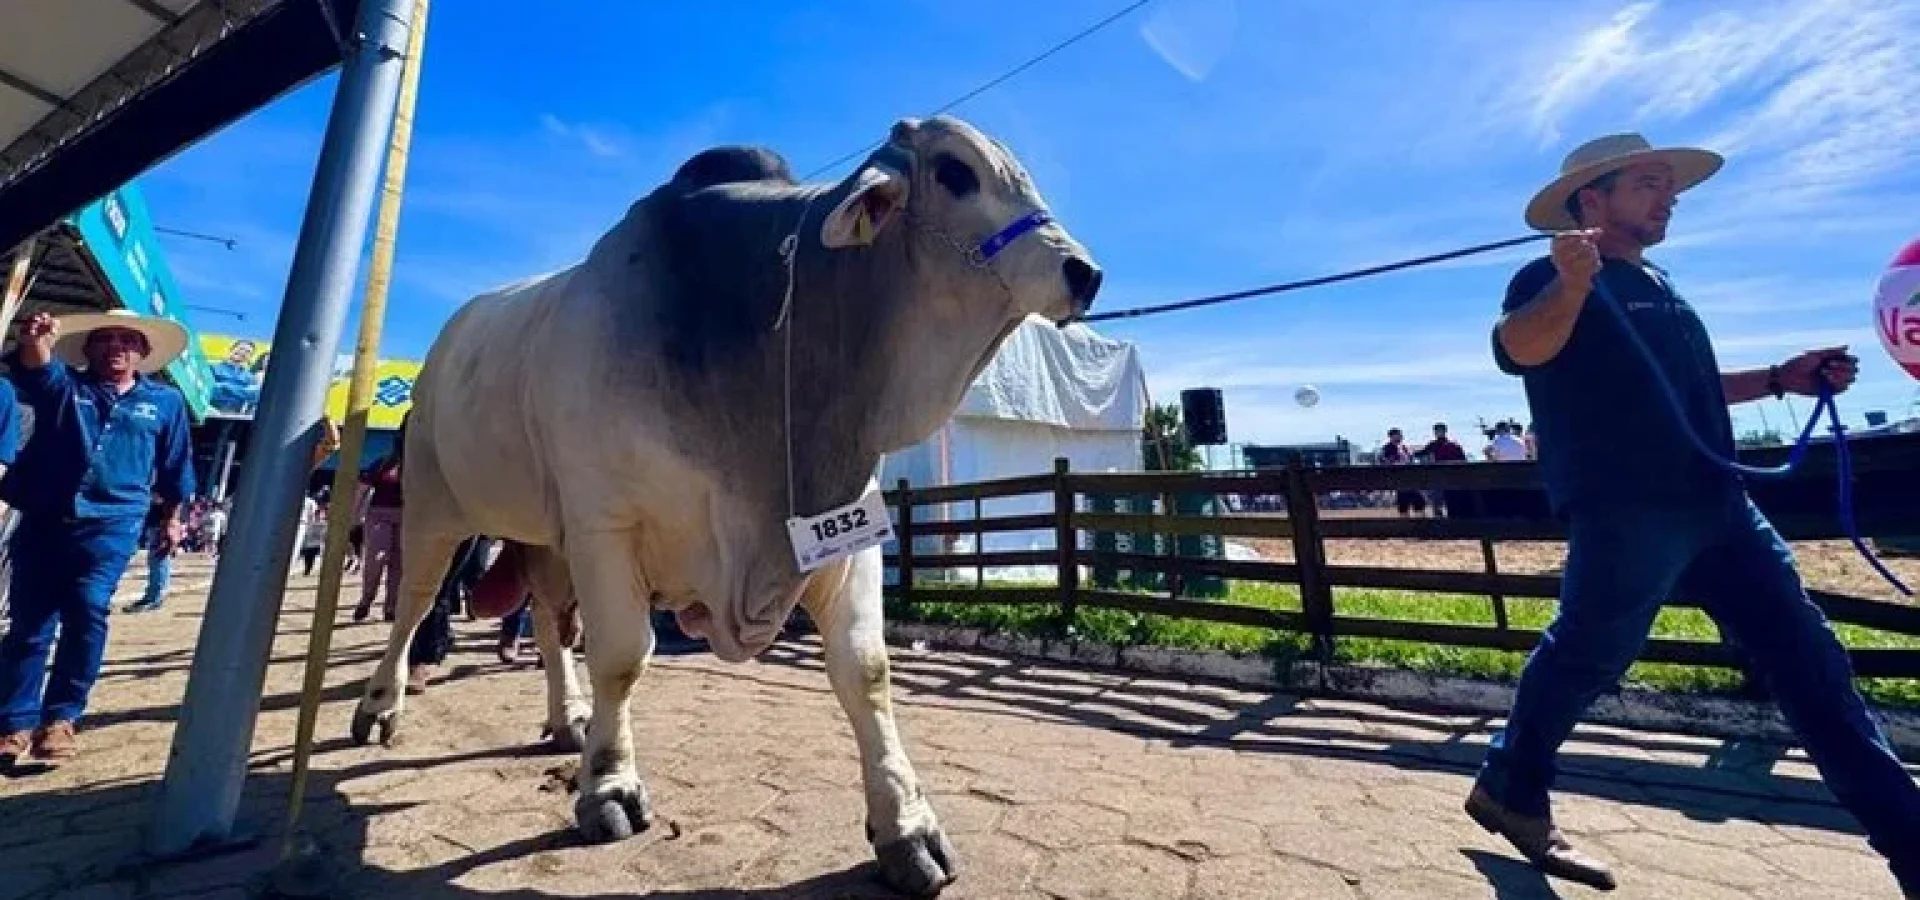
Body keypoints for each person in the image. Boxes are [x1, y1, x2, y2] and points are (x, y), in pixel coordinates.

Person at [1473, 132, 1919, 895]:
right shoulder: (1548, 278)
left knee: (1814, 668)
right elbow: (1518, 347)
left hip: (1721, 506)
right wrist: (1572, 285)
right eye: (1648, 183)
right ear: (1592, 200)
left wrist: (1783, 377)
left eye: (1669, 184)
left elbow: (1695, 383)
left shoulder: (1663, 287)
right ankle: (1511, 785)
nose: (1668, 194)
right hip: (1629, 507)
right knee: (1588, 654)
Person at [0, 309, 194, 766]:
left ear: (144, 353)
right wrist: (38, 341)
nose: (116, 348)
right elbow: (36, 368)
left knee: (88, 610)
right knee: (30, 624)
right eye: (105, 340)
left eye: (128, 341)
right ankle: (13, 723)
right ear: (87, 348)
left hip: (113, 524)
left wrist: (171, 519)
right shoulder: (66, 387)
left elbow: (175, 467)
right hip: (46, 517)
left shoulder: (164, 404)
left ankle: (62, 718)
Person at [353, 443, 404, 623]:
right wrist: (355, 515)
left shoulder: (418, 465)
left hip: (407, 516)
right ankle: (366, 599)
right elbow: (362, 487)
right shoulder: (383, 463)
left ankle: (391, 606)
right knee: (376, 558)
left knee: (399, 564)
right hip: (379, 513)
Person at [1417, 422, 1468, 518]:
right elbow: (1420, 454)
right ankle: (1440, 523)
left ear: (1445, 431)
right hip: (1438, 478)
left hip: (1452, 478)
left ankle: (1454, 523)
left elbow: (1463, 461)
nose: (1438, 432)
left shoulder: (1454, 445)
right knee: (1437, 503)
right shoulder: (1432, 445)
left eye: (1441, 430)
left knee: (1453, 503)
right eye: (1437, 431)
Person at [1376, 428, 1425, 517]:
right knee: (1404, 502)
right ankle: (1406, 525)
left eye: (1400, 434)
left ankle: (1419, 524)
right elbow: (1383, 461)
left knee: (1418, 500)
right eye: (1398, 435)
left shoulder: (1404, 447)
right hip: (1398, 479)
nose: (1401, 436)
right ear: (1392, 436)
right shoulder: (1387, 448)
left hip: (1409, 478)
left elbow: (1410, 459)